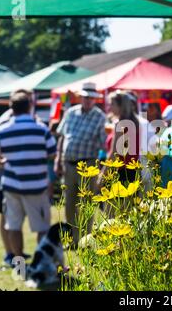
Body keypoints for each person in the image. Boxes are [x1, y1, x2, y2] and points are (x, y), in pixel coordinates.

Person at [0, 92, 56, 259]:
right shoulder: (41, 129)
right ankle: (41, 267)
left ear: (11, 109)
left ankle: (19, 268)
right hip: (37, 186)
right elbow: (52, 153)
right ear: (29, 106)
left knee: (13, 227)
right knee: (42, 229)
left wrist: (0, 162)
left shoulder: (3, 129)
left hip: (12, 185)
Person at [0, 89, 34, 266]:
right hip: (2, 177)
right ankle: (9, 254)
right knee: (7, 217)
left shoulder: (16, 117)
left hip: (9, 176)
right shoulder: (8, 119)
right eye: (28, 100)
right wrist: (1, 163)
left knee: (10, 217)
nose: (31, 103)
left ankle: (14, 253)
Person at [55, 82, 106, 246]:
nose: (88, 100)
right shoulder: (70, 112)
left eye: (91, 98)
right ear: (81, 97)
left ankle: (84, 240)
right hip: (68, 163)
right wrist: (58, 158)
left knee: (86, 206)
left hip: (88, 165)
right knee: (69, 204)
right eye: (85, 97)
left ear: (95, 99)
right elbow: (62, 136)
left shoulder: (100, 117)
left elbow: (104, 144)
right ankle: (71, 239)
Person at [106, 90, 141, 183]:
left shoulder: (120, 124)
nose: (110, 107)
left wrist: (102, 175)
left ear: (120, 106)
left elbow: (114, 153)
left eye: (112, 104)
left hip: (121, 172)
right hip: (134, 172)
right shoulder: (136, 122)